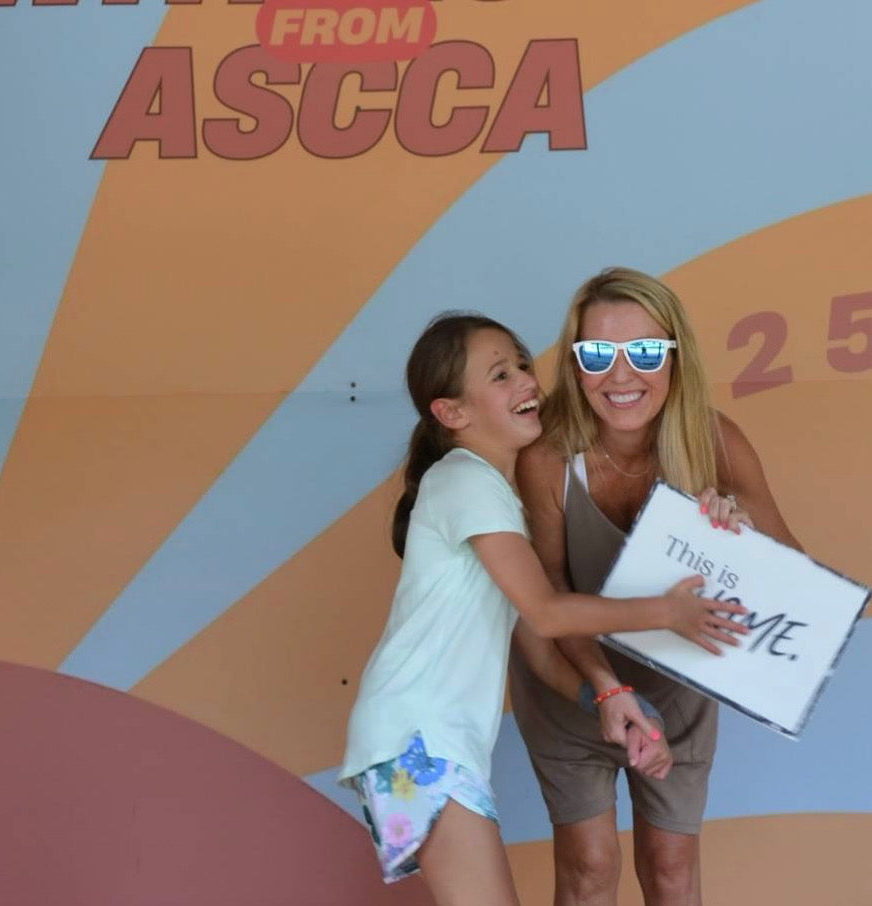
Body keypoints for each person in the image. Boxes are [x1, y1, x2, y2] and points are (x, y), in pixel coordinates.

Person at [338, 312, 749, 906]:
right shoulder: (466, 482)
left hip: (427, 744)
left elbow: (532, 636)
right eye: (500, 375)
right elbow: (548, 612)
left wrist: (606, 696)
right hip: (418, 741)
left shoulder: (496, 498)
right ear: (452, 413)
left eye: (523, 364)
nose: (527, 381)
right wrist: (667, 612)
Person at [508, 268, 802, 906]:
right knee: (588, 866)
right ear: (575, 363)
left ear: (675, 356)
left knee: (672, 869)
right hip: (572, 678)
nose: (621, 375)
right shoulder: (547, 456)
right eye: (597, 354)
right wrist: (605, 688)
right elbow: (547, 593)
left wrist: (743, 539)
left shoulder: (714, 441)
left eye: (644, 351)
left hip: (678, 682)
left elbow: (798, 580)